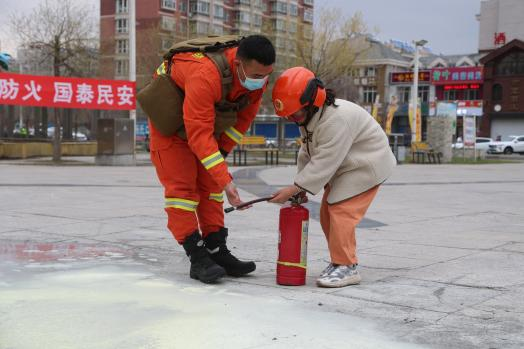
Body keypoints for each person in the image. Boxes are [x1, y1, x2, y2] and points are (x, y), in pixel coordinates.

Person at [148, 35, 275, 284]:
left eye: (267, 75)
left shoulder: (257, 81)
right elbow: (198, 135)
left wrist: (221, 159)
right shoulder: (204, 74)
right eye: (257, 75)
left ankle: (217, 251)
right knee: (182, 191)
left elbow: (241, 122)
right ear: (239, 64)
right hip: (171, 125)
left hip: (203, 123)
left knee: (212, 186)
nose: (261, 82)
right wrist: (226, 179)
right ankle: (197, 257)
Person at [269, 67, 396, 288]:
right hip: (348, 163)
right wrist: (300, 187)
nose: (292, 118)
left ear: (311, 101)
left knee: (341, 209)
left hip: (368, 162)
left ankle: (346, 266)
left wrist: (295, 188)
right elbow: (307, 152)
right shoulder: (310, 117)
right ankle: (340, 261)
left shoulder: (336, 119)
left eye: (295, 113)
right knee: (327, 211)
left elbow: (325, 160)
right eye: (288, 115)